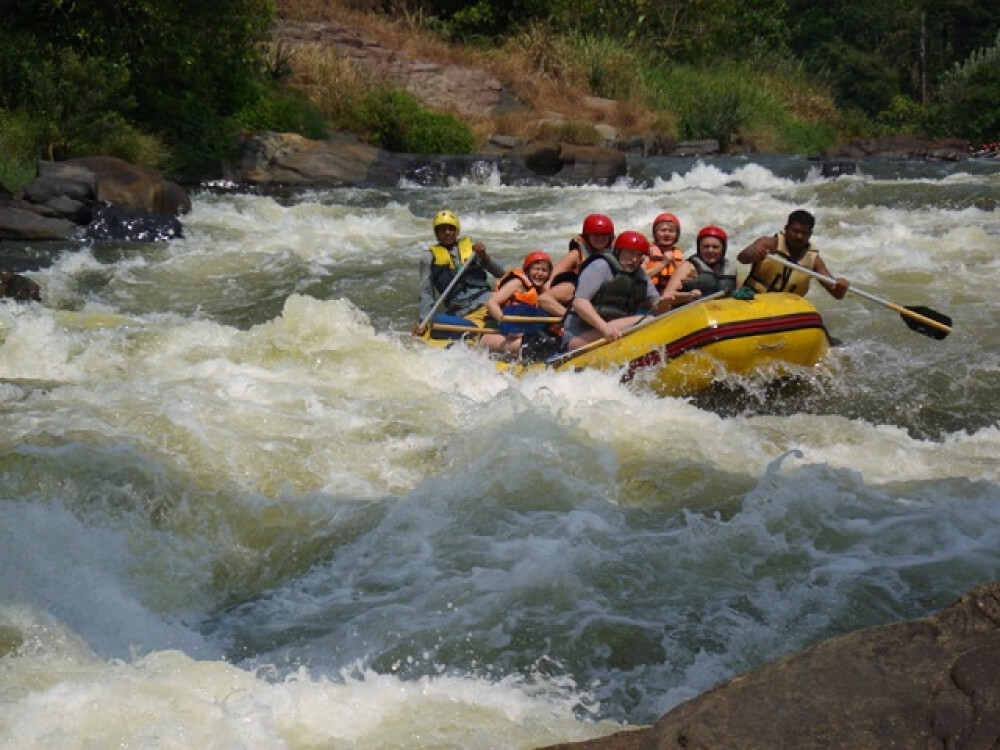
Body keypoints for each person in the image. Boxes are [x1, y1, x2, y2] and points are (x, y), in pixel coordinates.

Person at [562, 230, 670, 351]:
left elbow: (659, 310)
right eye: (630, 252)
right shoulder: (600, 266)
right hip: (579, 338)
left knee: (656, 321)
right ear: (618, 251)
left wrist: (665, 301)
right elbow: (580, 302)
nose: (634, 259)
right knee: (647, 320)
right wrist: (604, 329)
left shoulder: (641, 276)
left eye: (639, 255)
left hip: (614, 333)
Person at [415, 209, 505, 334]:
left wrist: (484, 257)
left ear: (456, 231)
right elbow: (426, 293)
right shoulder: (429, 258)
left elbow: (501, 274)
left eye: (451, 229)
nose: (447, 233)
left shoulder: (472, 250)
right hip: (463, 310)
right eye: (443, 230)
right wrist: (423, 322)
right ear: (437, 233)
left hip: (488, 300)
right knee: (435, 320)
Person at [736, 209, 849, 299]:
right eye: (795, 231)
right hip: (754, 299)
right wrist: (752, 253)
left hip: (786, 309)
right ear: (786, 229)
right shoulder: (769, 244)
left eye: (804, 233)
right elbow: (742, 258)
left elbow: (837, 294)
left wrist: (840, 287)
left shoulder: (814, 260)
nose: (799, 236)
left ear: (810, 234)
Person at [480, 251, 560, 355]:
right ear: (527, 270)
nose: (540, 273)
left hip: (520, 332)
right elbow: (491, 303)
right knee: (536, 344)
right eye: (536, 269)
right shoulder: (517, 283)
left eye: (544, 270)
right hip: (495, 332)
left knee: (550, 340)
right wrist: (505, 322)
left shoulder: (543, 292)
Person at [536, 213, 615, 316]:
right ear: (587, 236)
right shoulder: (576, 254)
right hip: (576, 289)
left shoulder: (617, 253)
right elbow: (551, 279)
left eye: (604, 235)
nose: (600, 238)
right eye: (596, 235)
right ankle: (570, 319)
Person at [662, 225, 740, 303]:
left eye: (715, 247)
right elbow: (667, 296)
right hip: (693, 312)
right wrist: (688, 295)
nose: (710, 250)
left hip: (722, 311)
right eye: (706, 247)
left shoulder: (730, 269)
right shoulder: (688, 267)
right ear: (699, 248)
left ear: (723, 249)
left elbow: (741, 291)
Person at [643, 213, 684, 293]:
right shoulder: (646, 254)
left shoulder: (679, 256)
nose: (667, 234)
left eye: (671, 231)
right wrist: (663, 263)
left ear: (676, 235)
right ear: (655, 234)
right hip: (650, 297)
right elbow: (640, 277)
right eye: (663, 230)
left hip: (672, 297)